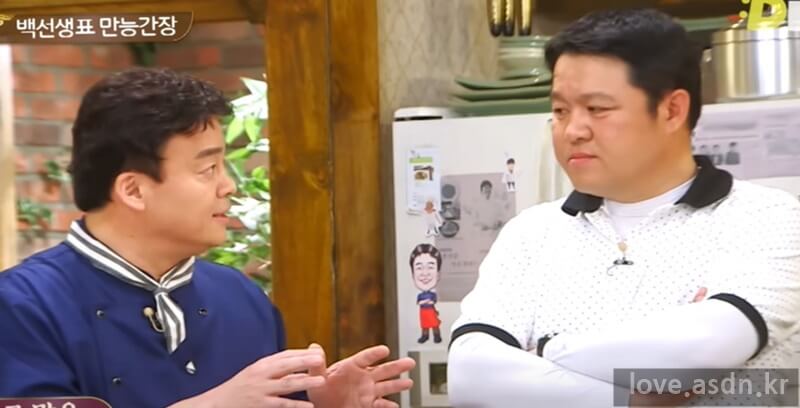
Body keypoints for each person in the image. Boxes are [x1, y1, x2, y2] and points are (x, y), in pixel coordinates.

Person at [0, 68, 415, 408]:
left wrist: (319, 403)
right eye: (207, 169)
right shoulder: (22, 305)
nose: (228, 186)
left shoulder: (241, 296)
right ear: (133, 190)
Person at [448, 9, 800, 408]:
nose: (572, 130)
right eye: (560, 111)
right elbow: (468, 376)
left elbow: (700, 350)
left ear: (672, 110)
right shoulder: (530, 233)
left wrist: (544, 352)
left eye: (597, 109)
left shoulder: (766, 217)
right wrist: (626, 400)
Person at [410, 244, 443, 344]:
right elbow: (419, 302)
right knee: (424, 326)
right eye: (419, 268)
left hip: (431, 312)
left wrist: (426, 302)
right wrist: (425, 302)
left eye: (430, 267)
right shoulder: (420, 295)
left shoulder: (432, 294)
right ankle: (425, 336)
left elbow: (433, 301)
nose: (425, 273)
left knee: (434, 325)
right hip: (423, 312)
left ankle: (437, 336)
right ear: (412, 274)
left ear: (438, 273)